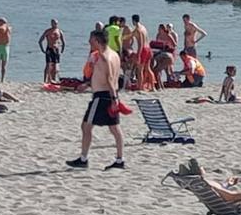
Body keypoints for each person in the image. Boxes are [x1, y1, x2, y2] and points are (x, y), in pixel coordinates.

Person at [67, 30, 126, 170]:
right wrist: (87, 84)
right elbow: (106, 76)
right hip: (108, 94)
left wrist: (114, 99)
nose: (89, 42)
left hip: (103, 97)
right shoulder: (114, 55)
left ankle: (83, 159)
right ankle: (119, 159)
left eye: (91, 40)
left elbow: (110, 79)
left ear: (98, 41)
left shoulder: (105, 57)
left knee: (86, 126)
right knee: (115, 129)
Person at [131, 14, 154, 90]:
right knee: (148, 69)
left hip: (143, 49)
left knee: (140, 70)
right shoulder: (143, 27)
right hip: (148, 48)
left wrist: (138, 54)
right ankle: (153, 87)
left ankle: (140, 87)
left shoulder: (138, 30)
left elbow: (140, 43)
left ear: (133, 21)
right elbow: (131, 34)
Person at [38, 19, 65, 84]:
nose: (54, 25)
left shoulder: (59, 31)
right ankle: (45, 80)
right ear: (51, 24)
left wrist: (62, 50)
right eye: (53, 23)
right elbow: (40, 41)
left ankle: (53, 80)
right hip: (49, 49)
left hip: (56, 50)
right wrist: (42, 49)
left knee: (55, 67)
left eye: (55, 24)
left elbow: (63, 42)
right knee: (48, 65)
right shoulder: (48, 31)